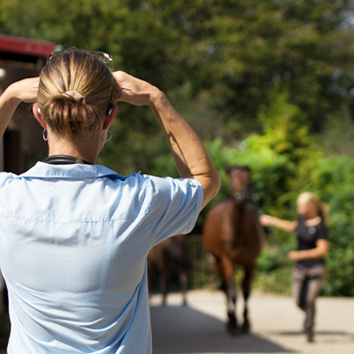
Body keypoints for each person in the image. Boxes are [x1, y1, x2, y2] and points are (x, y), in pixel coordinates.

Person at [0, 49, 220, 353]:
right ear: (109, 118)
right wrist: (157, 99)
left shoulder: (7, 198)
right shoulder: (139, 200)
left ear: (39, 115)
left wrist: (9, 97)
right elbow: (204, 179)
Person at [259, 192, 329, 343]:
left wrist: (299, 255)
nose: (299, 209)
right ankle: (309, 315)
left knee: (310, 299)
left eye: (301, 206)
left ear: (311, 207)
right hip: (300, 269)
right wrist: (271, 220)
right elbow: (290, 226)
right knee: (298, 300)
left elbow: (323, 250)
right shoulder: (302, 221)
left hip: (316, 268)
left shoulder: (320, 226)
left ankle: (310, 327)